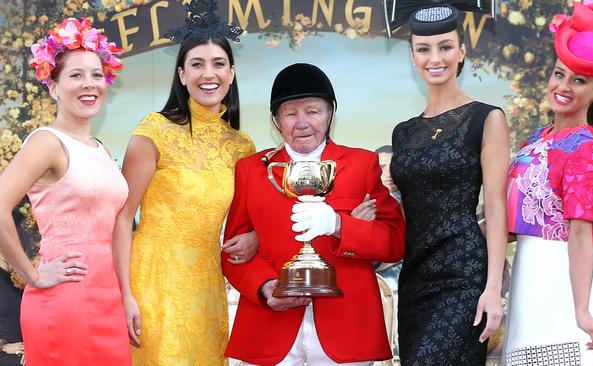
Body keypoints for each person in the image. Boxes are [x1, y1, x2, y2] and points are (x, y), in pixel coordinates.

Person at [222, 63, 405, 365]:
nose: (302, 123)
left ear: (331, 113)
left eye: (313, 111)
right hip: (271, 326)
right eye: (290, 113)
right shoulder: (251, 170)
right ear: (275, 120)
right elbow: (234, 252)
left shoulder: (362, 164)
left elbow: (395, 242)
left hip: (346, 326)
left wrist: (337, 224)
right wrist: (267, 288)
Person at [112, 19, 257, 365]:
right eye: (197, 64)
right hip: (151, 282)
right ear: (181, 75)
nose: (209, 74)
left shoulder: (241, 145)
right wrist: (123, 295)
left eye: (218, 63)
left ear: (232, 73)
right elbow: (120, 217)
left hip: (207, 286)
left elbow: (253, 217)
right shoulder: (155, 129)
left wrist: (255, 237)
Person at [0, 18, 130, 365]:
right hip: (65, 302)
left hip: (108, 301)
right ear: (53, 87)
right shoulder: (47, 142)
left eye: (96, 74)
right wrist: (33, 274)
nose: (89, 84)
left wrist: (126, 296)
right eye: (76, 75)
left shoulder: (99, 148)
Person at [389, 5, 510, 364]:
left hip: (463, 277)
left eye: (445, 46)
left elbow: (496, 207)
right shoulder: (404, 132)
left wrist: (492, 289)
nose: (435, 58)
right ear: (412, 56)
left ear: (462, 51)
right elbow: (406, 205)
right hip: (415, 279)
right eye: (424, 49)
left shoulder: (486, 118)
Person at [503, 2, 593, 364]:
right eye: (559, 74)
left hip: (562, 288)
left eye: (579, 80)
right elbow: (512, 221)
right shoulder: (536, 140)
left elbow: (581, 234)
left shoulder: (589, 149)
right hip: (527, 283)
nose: (563, 86)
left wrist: (582, 310)